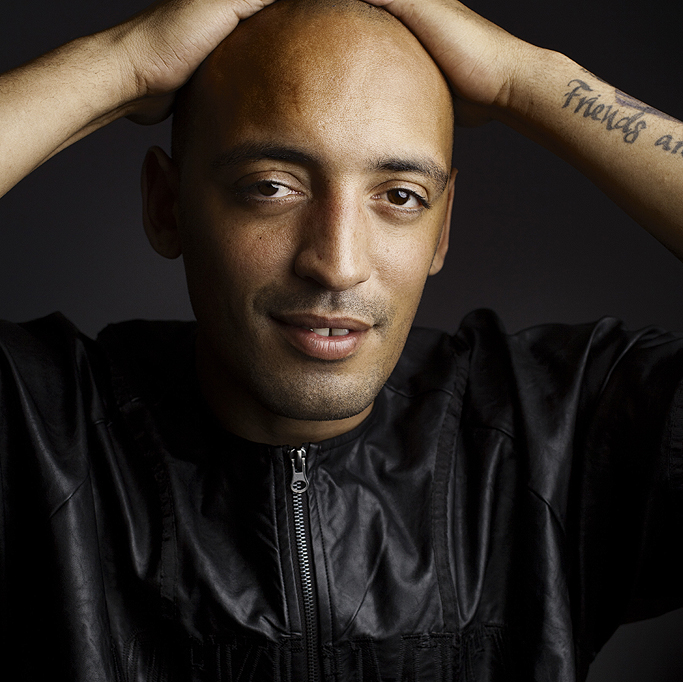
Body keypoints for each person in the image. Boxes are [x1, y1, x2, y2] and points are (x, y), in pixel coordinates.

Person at [1, 0, 682, 680]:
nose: (337, 263)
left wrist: (524, 79)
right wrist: (122, 63)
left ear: (441, 229)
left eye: (400, 196)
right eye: (272, 187)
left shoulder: (554, 436)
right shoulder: (41, 436)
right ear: (165, 206)